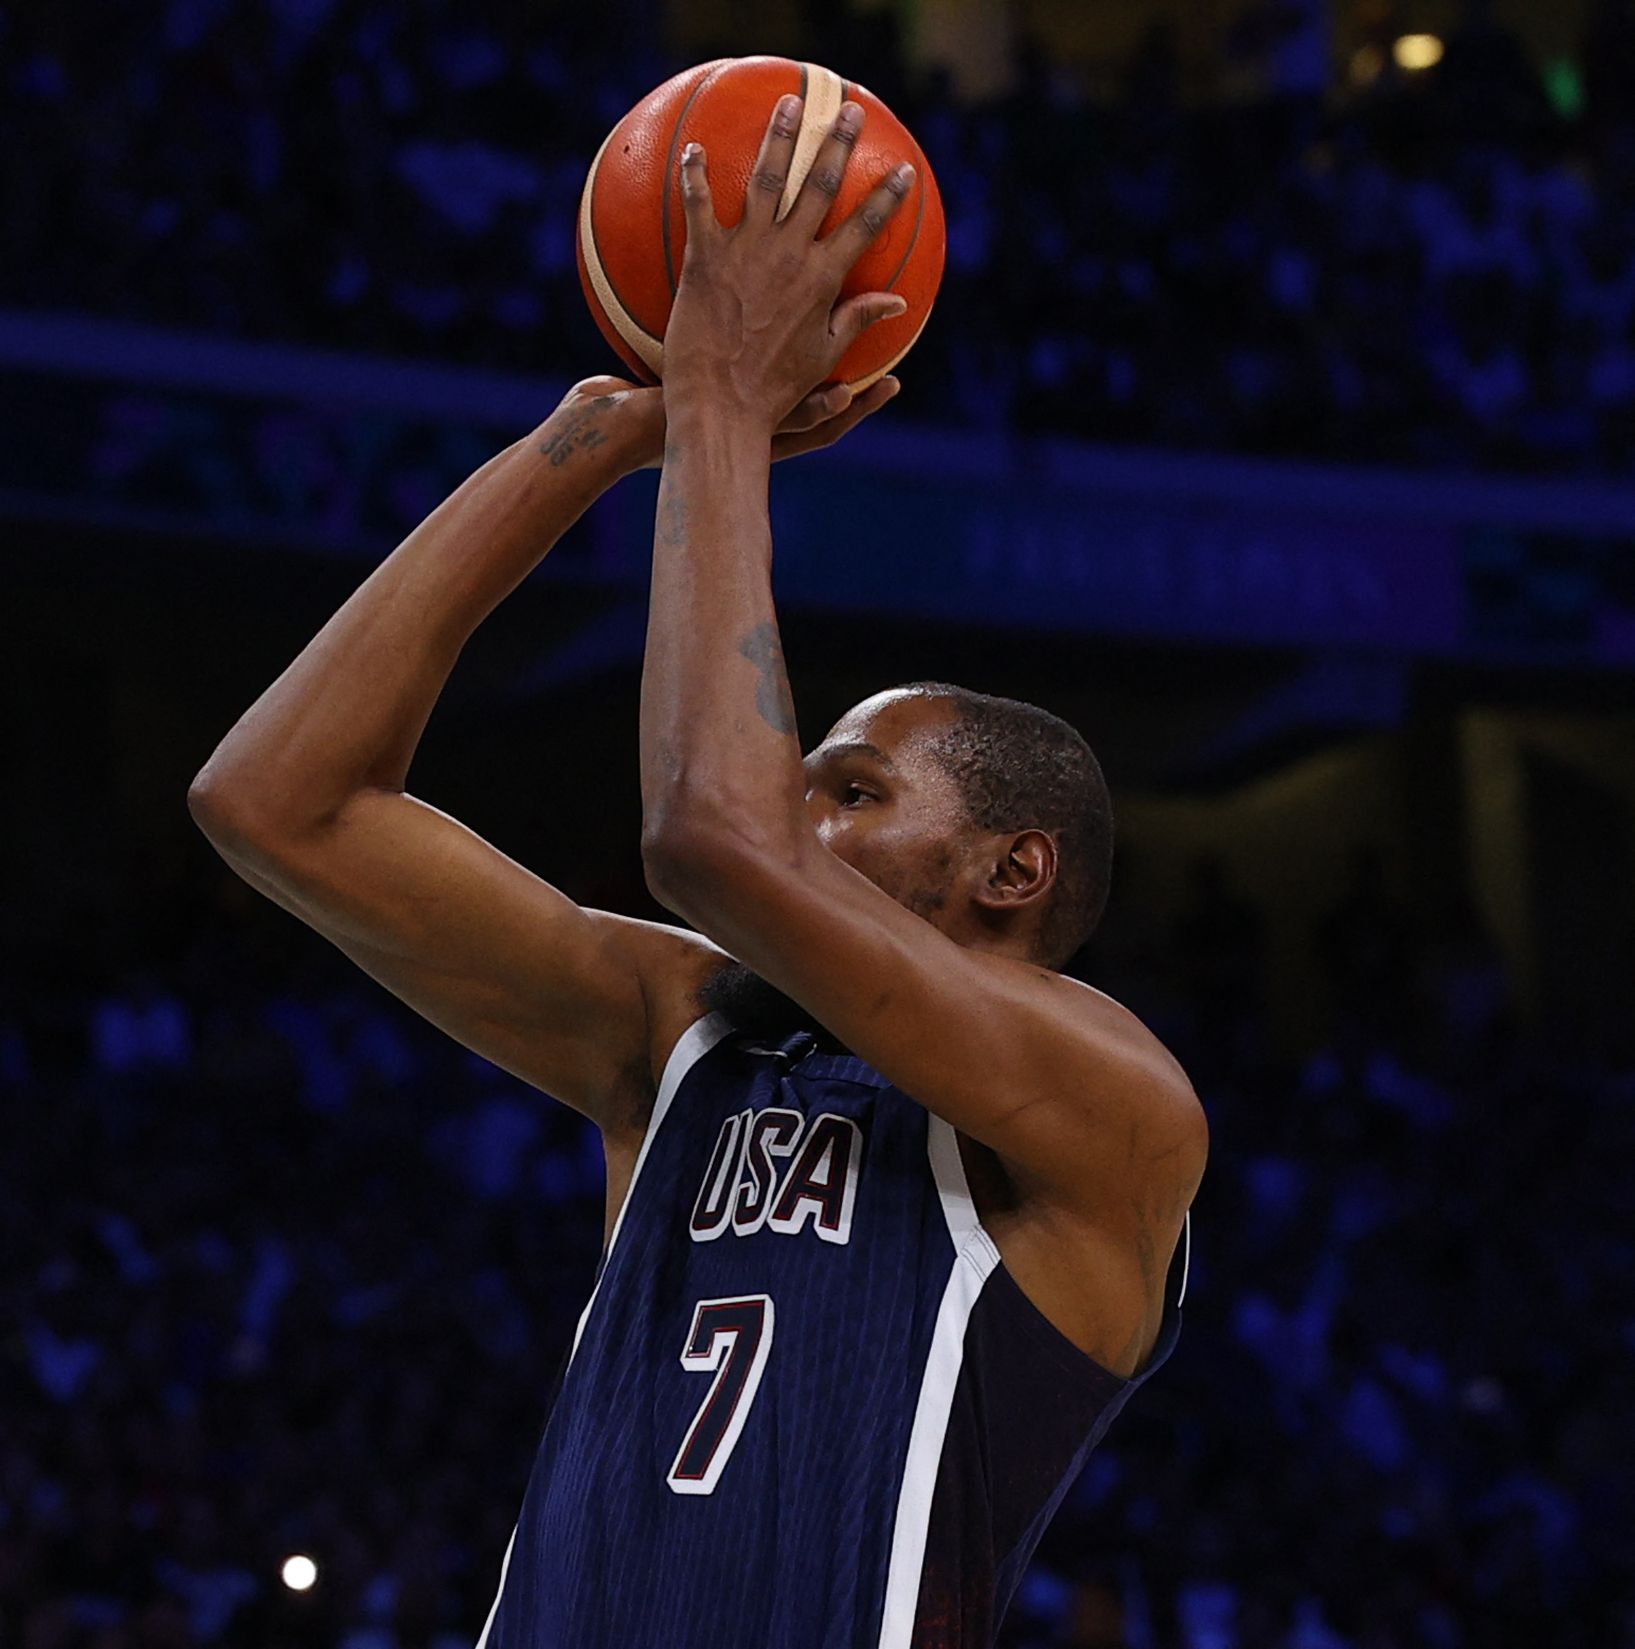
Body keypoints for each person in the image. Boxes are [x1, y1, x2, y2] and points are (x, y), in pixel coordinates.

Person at [187, 93, 1207, 1649]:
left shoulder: (1112, 1099)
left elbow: (713, 837)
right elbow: (278, 799)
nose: (798, 811)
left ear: (1013, 869)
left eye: (853, 789)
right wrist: (594, 441)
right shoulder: (688, 1027)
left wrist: (727, 399)